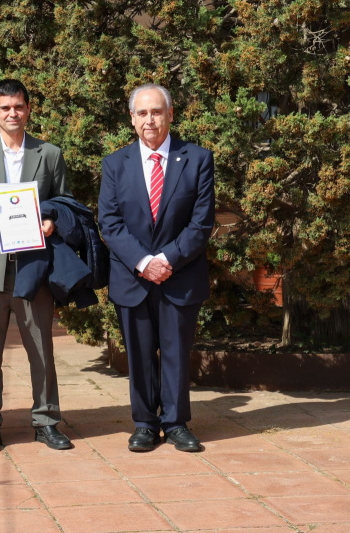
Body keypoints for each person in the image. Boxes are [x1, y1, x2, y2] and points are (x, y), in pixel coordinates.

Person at [0, 78, 74, 454]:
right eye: (5, 107)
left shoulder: (49, 154)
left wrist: (53, 219)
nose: (12, 113)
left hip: (34, 268)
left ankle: (47, 421)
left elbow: (65, 201)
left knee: (41, 349)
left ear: (28, 109)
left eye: (18, 107)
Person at [98, 84, 214, 453]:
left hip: (181, 274)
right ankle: (145, 423)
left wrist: (167, 260)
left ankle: (176, 423)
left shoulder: (197, 159)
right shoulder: (115, 164)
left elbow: (202, 223)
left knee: (177, 352)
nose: (150, 120)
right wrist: (145, 262)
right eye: (143, 113)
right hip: (133, 277)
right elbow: (110, 222)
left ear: (171, 114)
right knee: (140, 352)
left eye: (157, 112)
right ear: (132, 119)